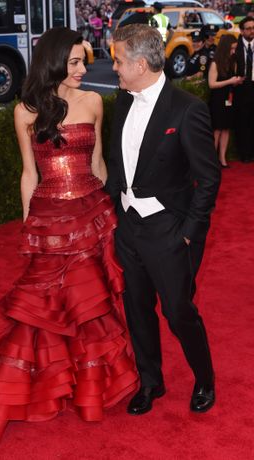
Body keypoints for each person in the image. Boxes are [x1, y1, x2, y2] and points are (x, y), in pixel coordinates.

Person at [0, 27, 138, 444]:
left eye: (83, 60)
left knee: (91, 305)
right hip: (50, 221)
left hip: (90, 215)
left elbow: (100, 162)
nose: (83, 69)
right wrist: (28, 225)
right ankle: (49, 382)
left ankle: (90, 386)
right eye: (73, 62)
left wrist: (111, 217)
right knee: (47, 308)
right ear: (52, 63)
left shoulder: (93, 101)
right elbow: (29, 173)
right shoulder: (25, 110)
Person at [107, 24, 221, 416]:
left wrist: (189, 234)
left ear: (140, 63)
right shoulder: (121, 101)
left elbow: (208, 179)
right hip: (129, 226)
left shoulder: (187, 109)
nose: (114, 67)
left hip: (169, 230)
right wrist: (114, 209)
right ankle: (151, 383)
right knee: (137, 308)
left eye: (118, 60)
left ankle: (205, 379)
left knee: (177, 311)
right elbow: (118, 163)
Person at [208, 34, 244, 168]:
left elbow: (231, 80)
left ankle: (222, 158)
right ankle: (212, 161)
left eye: (234, 49)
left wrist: (236, 82)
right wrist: (230, 81)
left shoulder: (232, 62)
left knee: (226, 129)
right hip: (217, 100)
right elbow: (212, 84)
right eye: (231, 49)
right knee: (216, 130)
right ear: (225, 48)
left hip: (229, 98)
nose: (233, 52)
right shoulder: (215, 63)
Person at [234, 16, 254, 163]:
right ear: (241, 31)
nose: (252, 31)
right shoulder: (235, 47)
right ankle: (244, 153)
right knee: (242, 120)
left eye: (253, 28)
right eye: (248, 28)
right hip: (241, 87)